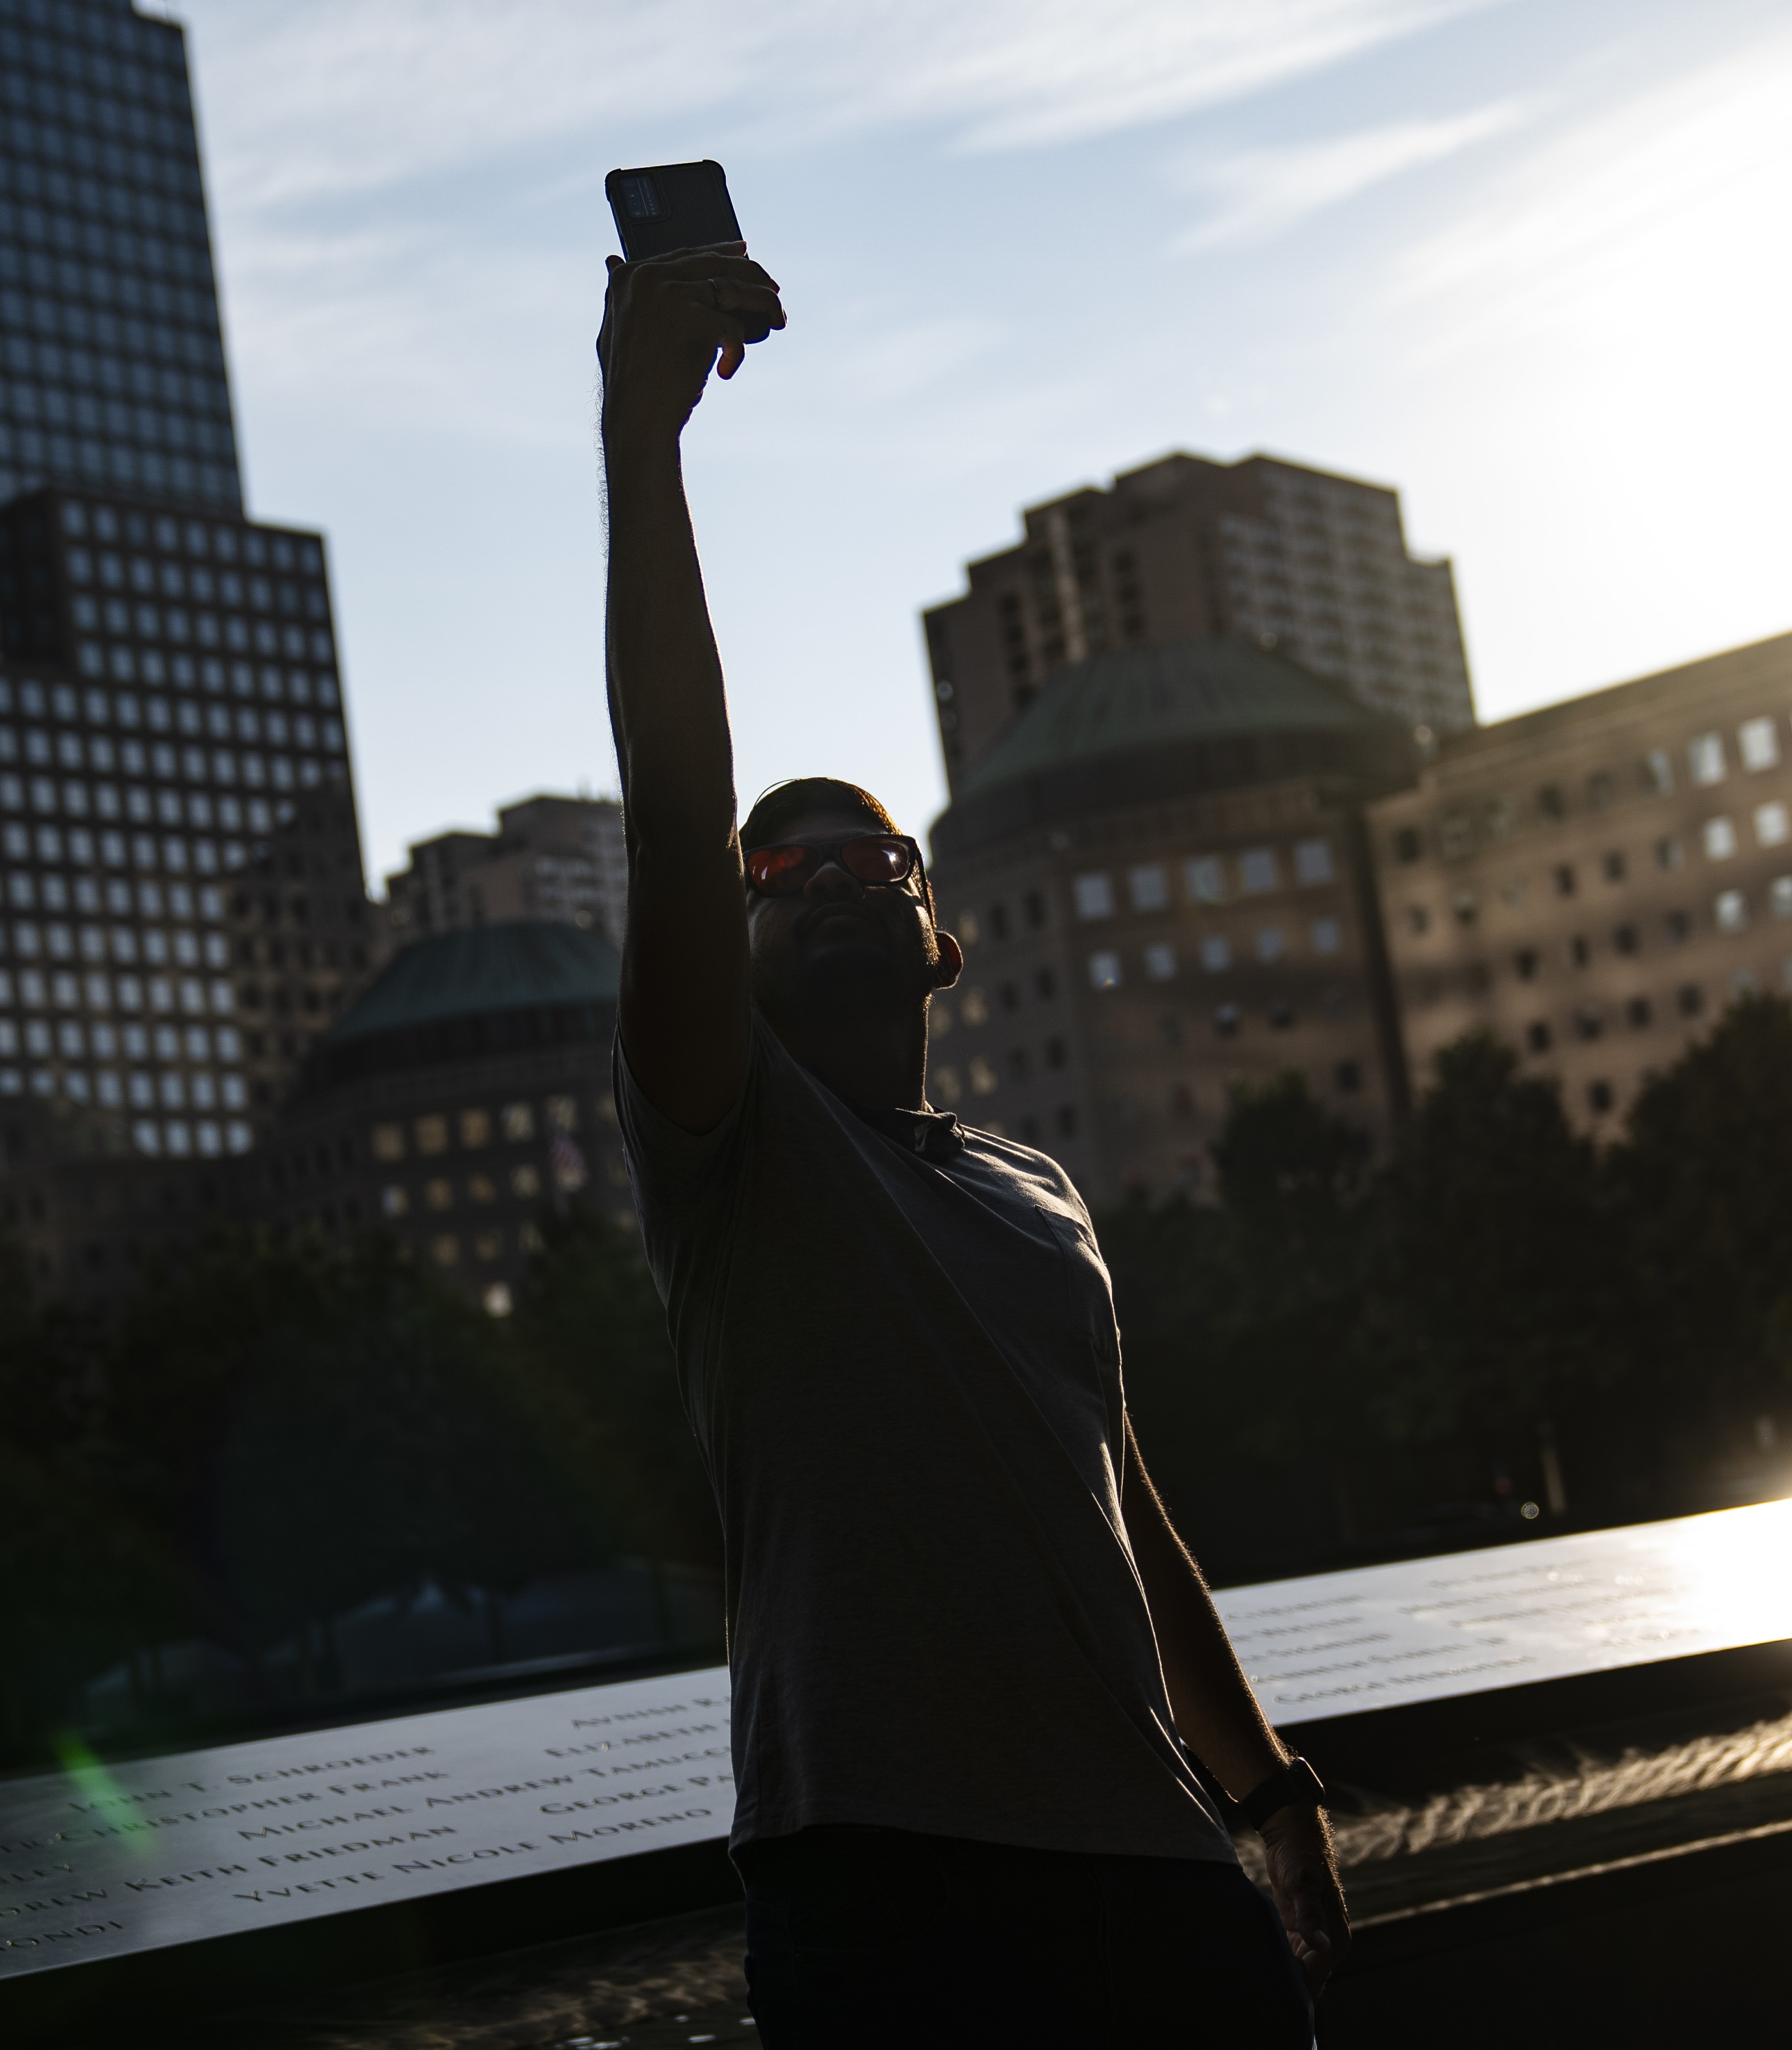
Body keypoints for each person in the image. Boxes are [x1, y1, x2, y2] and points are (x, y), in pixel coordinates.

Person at [596, 242, 1344, 2045]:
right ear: (731, 937)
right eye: (775, 878)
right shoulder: (733, 1147)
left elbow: (1123, 1503)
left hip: (1152, 1863)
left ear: (938, 935)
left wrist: (1261, 1785)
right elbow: (673, 786)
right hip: (879, 1874)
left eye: (871, 859)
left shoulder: (1032, 1190)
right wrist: (642, 442)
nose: (830, 880)